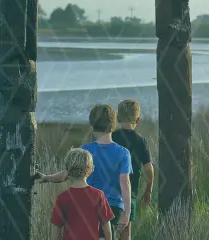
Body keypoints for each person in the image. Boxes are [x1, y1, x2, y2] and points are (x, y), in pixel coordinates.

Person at [40, 104, 132, 238]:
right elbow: (125, 184)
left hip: (87, 205)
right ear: (113, 125)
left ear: (92, 125)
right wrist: (127, 214)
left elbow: (65, 174)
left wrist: (46, 177)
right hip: (114, 208)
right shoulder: (124, 153)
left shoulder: (85, 151)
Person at [111, 99, 154, 240]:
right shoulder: (140, 141)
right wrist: (148, 190)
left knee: (106, 230)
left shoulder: (112, 137)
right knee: (126, 232)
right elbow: (148, 169)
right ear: (138, 120)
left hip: (109, 192)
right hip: (130, 193)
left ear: (117, 118)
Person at [50, 148, 115, 240]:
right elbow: (106, 226)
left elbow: (56, 227)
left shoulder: (62, 197)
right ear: (90, 170)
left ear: (67, 170)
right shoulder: (98, 195)